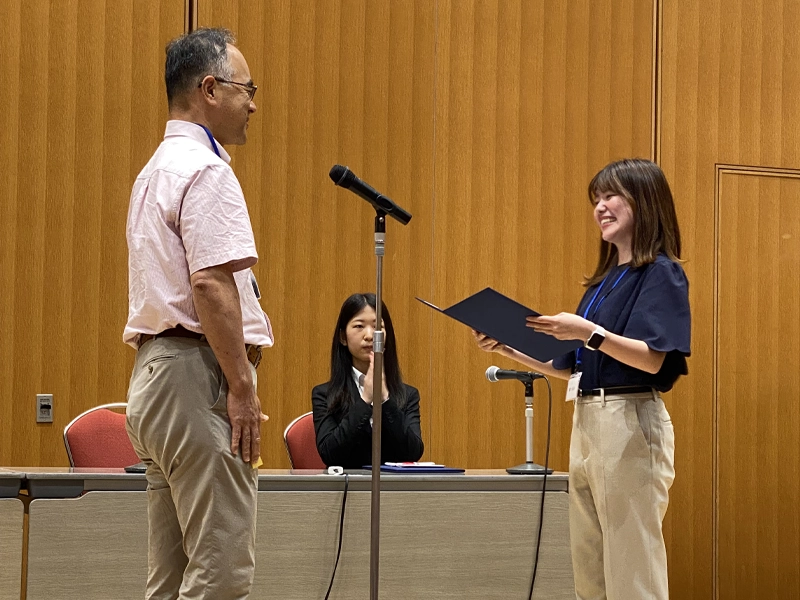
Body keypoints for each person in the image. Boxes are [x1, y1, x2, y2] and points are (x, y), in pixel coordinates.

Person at [474, 158, 690, 600]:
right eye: (596, 199)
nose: (601, 207)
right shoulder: (603, 282)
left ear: (644, 201)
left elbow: (652, 359)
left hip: (629, 420)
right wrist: (510, 347)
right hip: (588, 420)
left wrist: (590, 333)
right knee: (589, 571)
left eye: (611, 196)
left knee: (632, 570)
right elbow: (570, 363)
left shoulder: (661, 273)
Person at [123, 28, 273, 600]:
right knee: (221, 569)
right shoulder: (207, 170)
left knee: (169, 575)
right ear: (209, 89)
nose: (254, 103)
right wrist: (241, 387)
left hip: (155, 378)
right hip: (196, 376)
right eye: (247, 88)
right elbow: (210, 284)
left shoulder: (156, 168)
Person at [312, 293, 424, 468]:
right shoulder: (324, 394)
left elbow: (412, 452)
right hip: (347, 491)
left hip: (393, 491)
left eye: (378, 327)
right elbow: (330, 454)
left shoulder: (408, 395)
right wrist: (365, 400)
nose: (370, 335)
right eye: (359, 326)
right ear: (343, 337)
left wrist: (385, 399)